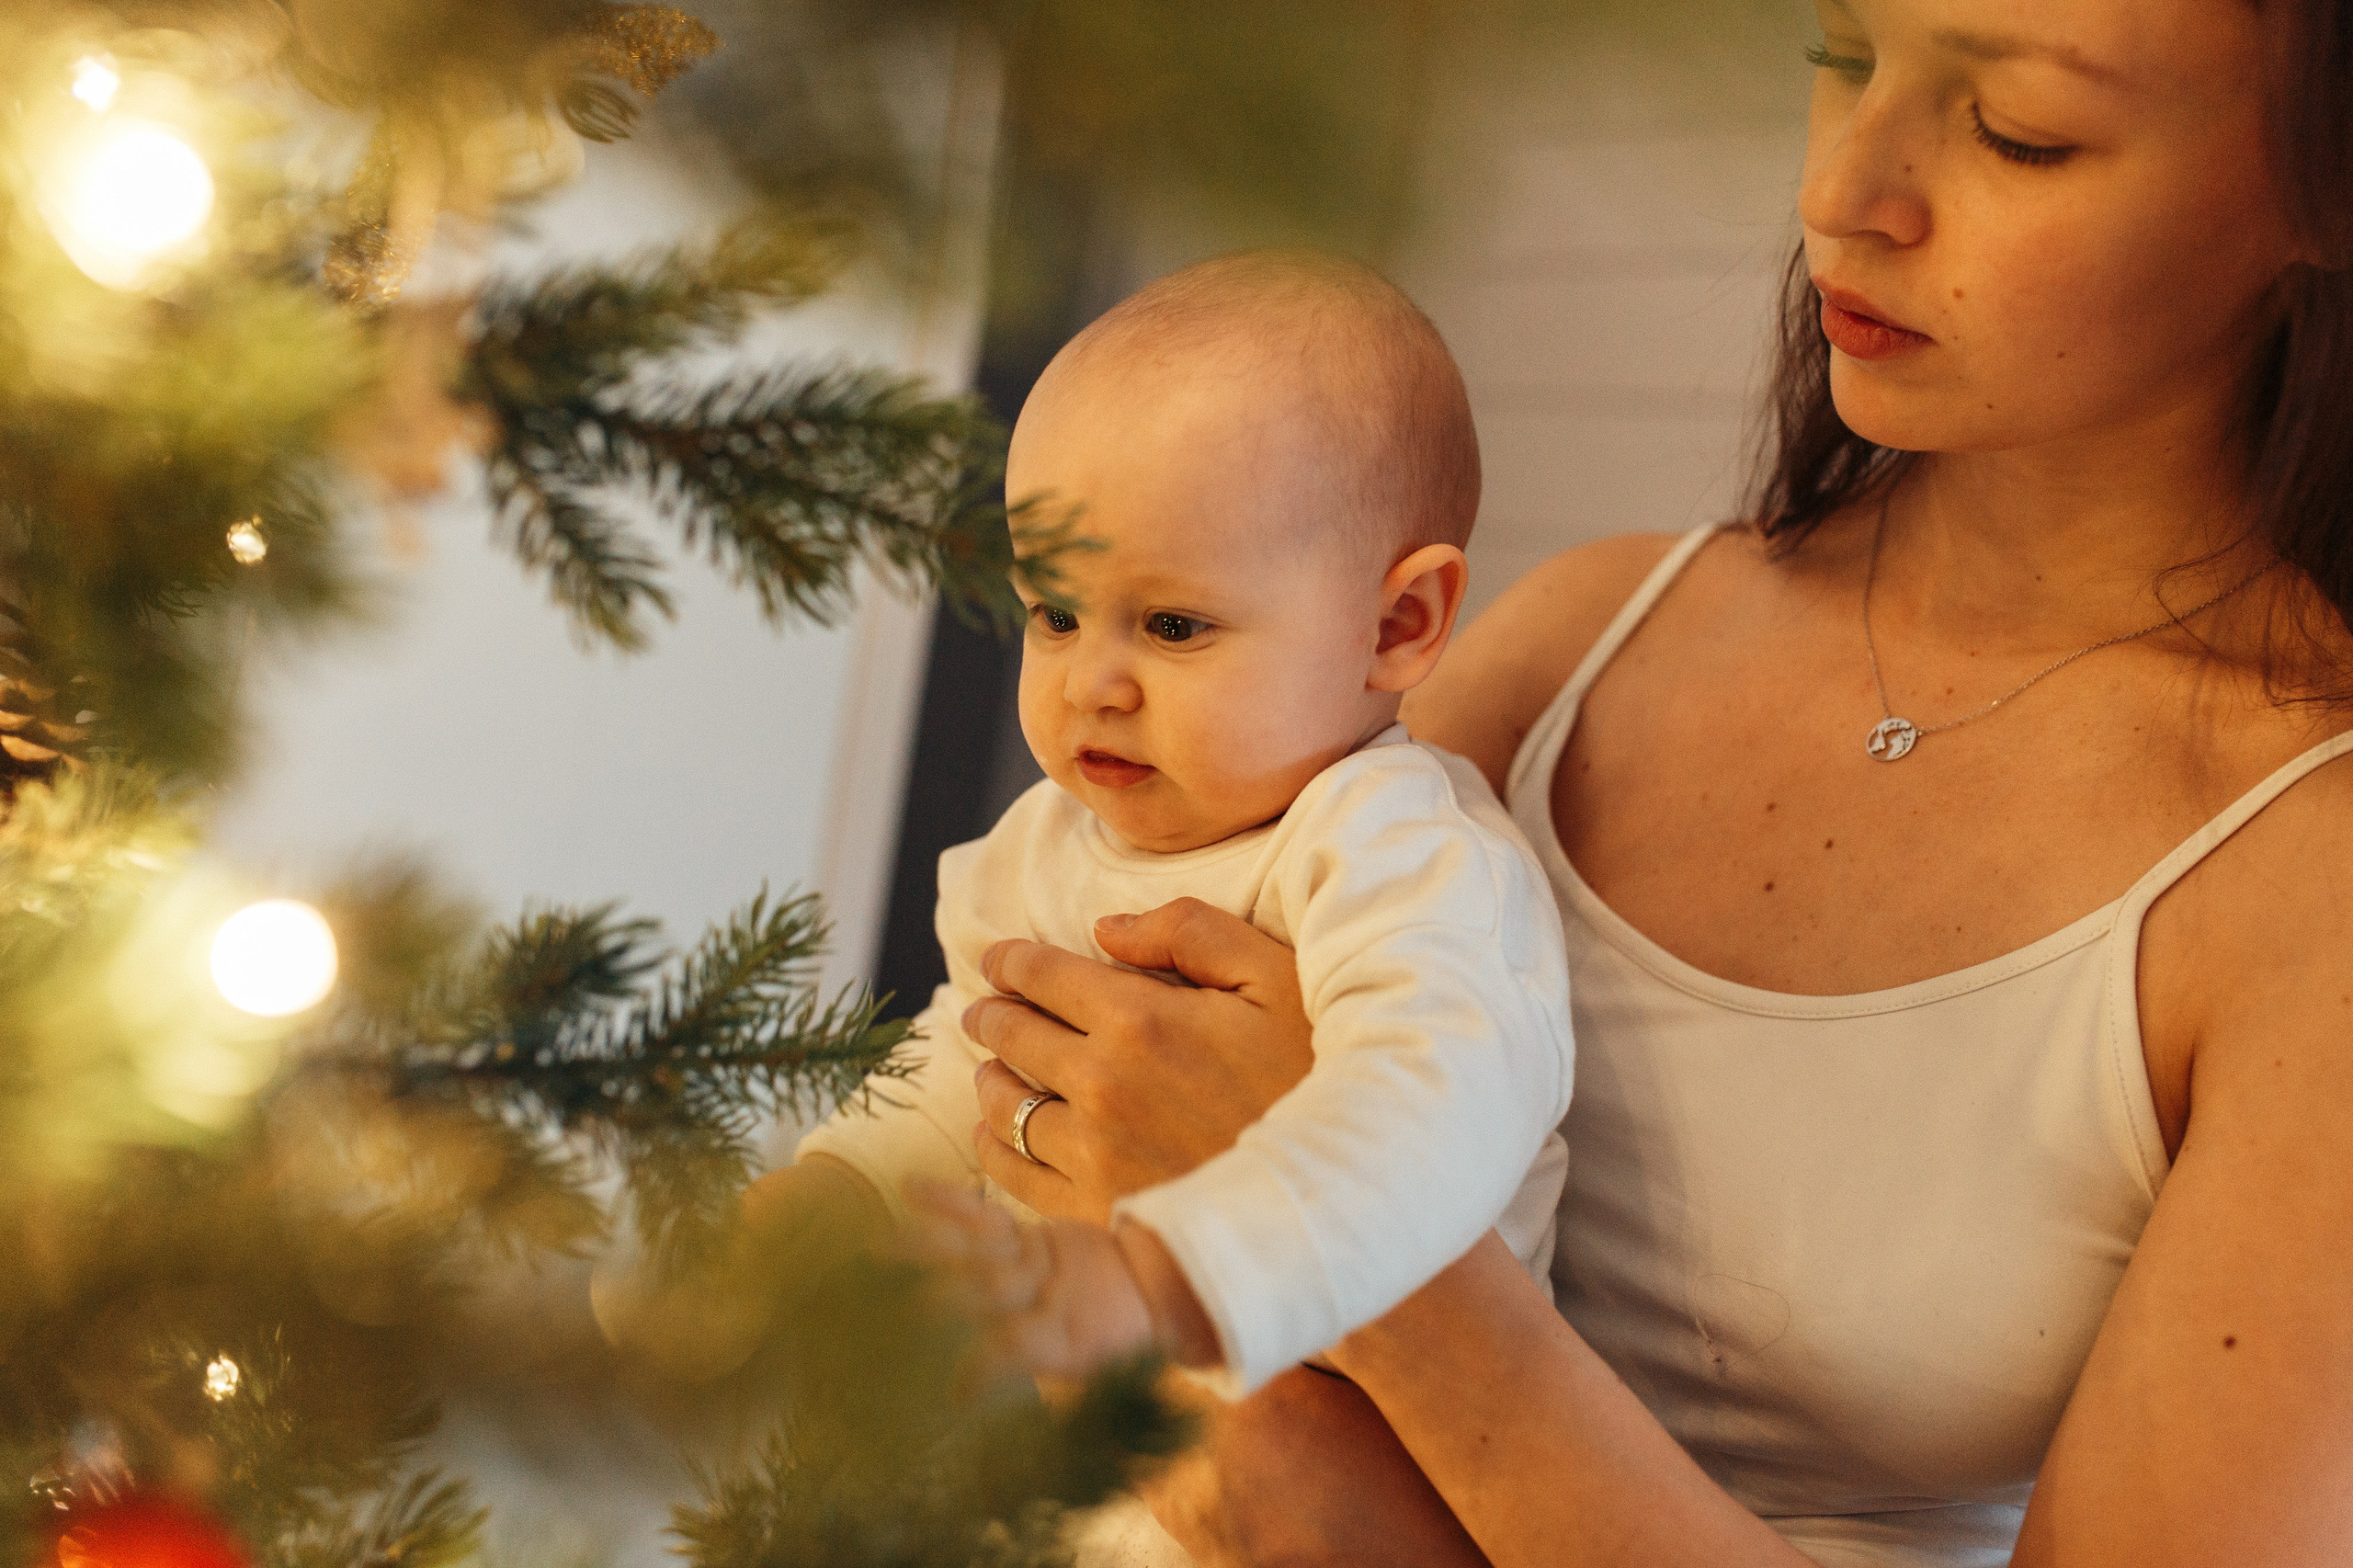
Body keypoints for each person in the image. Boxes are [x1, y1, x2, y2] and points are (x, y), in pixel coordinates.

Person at [922, 0, 2353, 1562]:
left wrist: (1370, 1273)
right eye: (1844, 60)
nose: (1842, 194)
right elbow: (1069, 1080)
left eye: (2020, 130)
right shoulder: (1580, 645)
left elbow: (1216, 1248)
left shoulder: (2304, 879)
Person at [781, 251, 1576, 1401]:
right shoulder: (1048, 840)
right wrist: (832, 1194)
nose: (1090, 682)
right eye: (1054, 611)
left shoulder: (1402, 860)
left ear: (1396, 623)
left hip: (1370, 1456)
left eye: (1171, 624)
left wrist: (1167, 1275)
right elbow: (972, 1056)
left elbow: (1429, 1117)